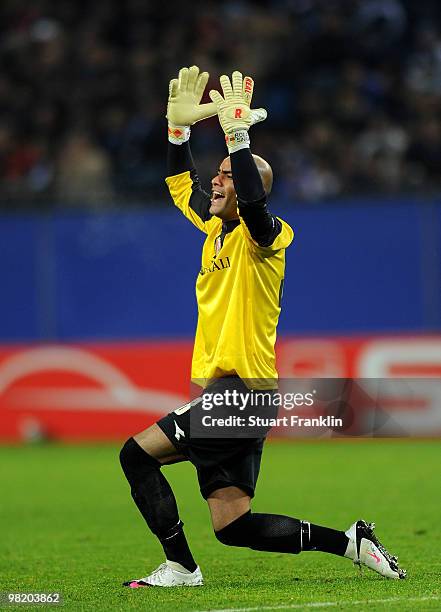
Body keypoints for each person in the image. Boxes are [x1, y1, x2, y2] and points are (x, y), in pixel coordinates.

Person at [119, 66, 406, 587]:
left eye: (228, 174)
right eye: (220, 172)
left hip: (238, 393)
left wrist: (237, 137)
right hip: (241, 396)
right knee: (234, 526)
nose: (217, 180)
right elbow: (180, 184)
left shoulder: (265, 237)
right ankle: (349, 543)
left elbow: (254, 202)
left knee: (135, 454)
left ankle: (181, 567)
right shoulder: (214, 232)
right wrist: (178, 133)